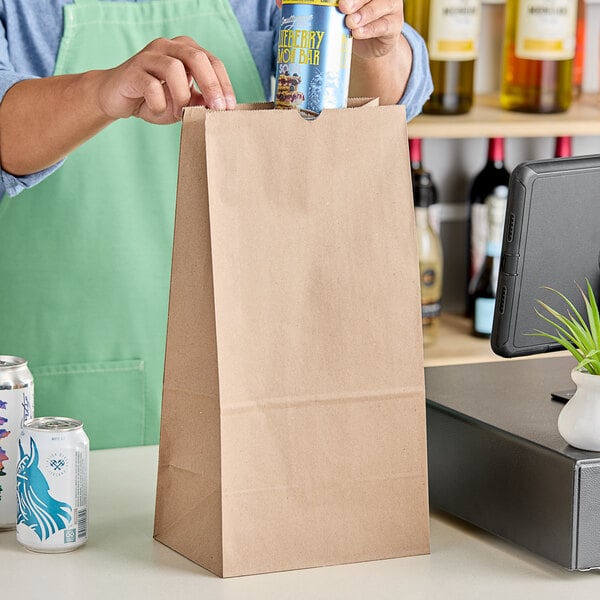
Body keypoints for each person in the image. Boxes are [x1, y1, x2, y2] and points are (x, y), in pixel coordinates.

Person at [0, 0, 433, 449]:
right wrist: (100, 91)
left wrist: (374, 48)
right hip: (57, 375)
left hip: (243, 371)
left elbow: (388, 103)